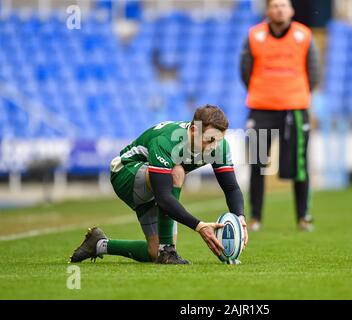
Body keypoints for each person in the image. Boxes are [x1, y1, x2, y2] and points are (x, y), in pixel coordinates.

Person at [69, 105, 248, 264]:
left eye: (218, 140)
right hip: (125, 173)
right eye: (209, 140)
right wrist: (199, 226)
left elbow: (231, 188)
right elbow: (163, 198)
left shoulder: (219, 147)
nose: (214, 147)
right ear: (194, 130)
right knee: (176, 172)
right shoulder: (168, 141)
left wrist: (240, 218)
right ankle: (168, 251)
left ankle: (100, 244)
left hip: (153, 183)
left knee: (154, 252)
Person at [240, 0, 321, 232]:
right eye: (274, 5)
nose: (279, 9)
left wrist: (296, 95)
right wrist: (263, 92)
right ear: (268, 10)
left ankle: (303, 217)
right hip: (260, 109)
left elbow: (313, 72)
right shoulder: (254, 36)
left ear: (291, 10)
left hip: (295, 109)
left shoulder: (303, 35)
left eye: (283, 5)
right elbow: (244, 70)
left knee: (299, 164)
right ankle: (255, 217)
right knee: (257, 163)